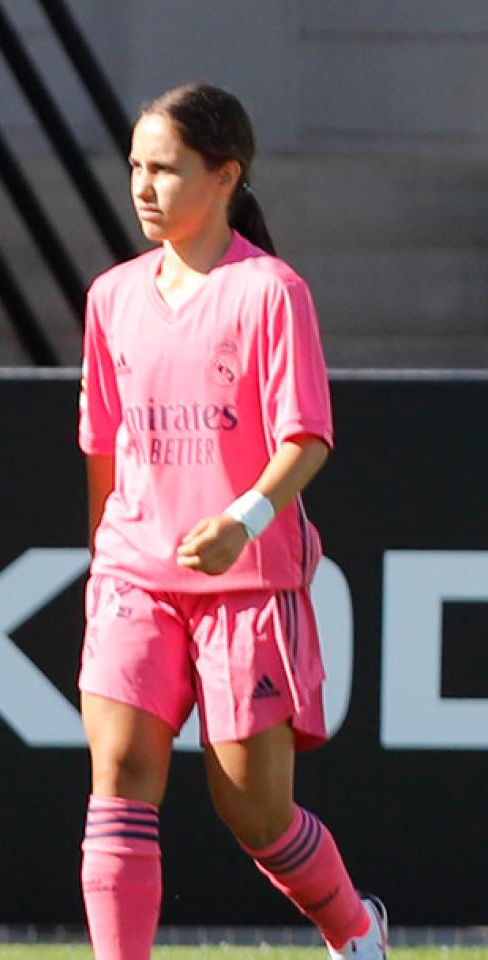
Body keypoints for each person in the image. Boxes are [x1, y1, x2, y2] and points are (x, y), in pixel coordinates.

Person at [76, 83, 386, 960]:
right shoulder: (111, 297)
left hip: (245, 584)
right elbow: (103, 446)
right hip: (135, 578)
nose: (143, 186)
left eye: (165, 169)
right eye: (135, 167)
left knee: (254, 811)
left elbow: (308, 436)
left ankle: (353, 928)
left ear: (224, 174)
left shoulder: (270, 291)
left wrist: (242, 522)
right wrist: (105, 562)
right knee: (119, 778)